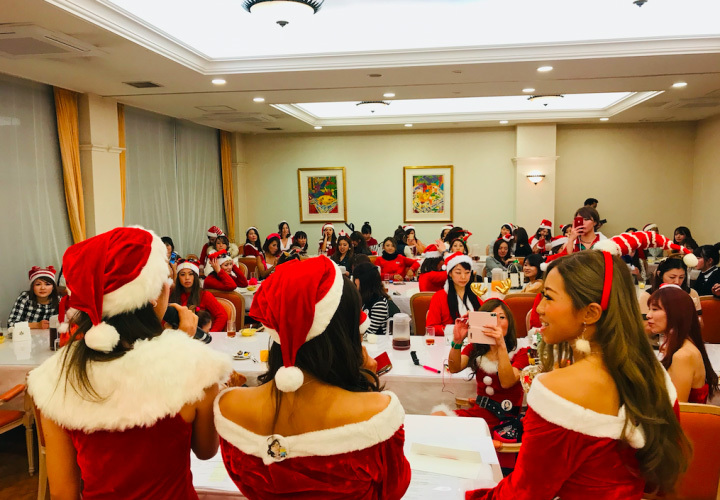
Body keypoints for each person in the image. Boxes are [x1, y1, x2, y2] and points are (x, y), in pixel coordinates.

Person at [27, 226, 232, 500]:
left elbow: (64, 492)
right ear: (153, 293)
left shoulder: (56, 377)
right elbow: (206, 450)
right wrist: (183, 344)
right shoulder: (194, 366)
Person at [466, 250, 688, 500]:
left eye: (548, 297)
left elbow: (524, 494)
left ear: (590, 313)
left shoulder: (558, 389)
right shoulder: (651, 372)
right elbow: (656, 478)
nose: (539, 308)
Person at [215, 257, 411, 499]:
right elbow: (393, 489)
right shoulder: (377, 413)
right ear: (345, 331)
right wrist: (365, 386)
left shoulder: (229, 407)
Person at [433, 299, 529, 430]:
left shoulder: (521, 351)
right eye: (492, 318)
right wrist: (457, 341)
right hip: (479, 415)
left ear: (510, 322)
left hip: (505, 422)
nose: (497, 323)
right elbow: (454, 368)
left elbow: (507, 382)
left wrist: (500, 345)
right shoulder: (476, 348)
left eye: (502, 317)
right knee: (437, 417)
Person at [647, 285, 718, 403]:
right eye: (649, 309)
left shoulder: (682, 356)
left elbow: (677, 407)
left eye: (655, 309)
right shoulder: (680, 346)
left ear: (675, 313)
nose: (648, 315)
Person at [426, 252, 481, 336]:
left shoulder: (476, 294)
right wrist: (457, 329)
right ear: (450, 273)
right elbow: (431, 327)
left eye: (467, 272)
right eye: (458, 273)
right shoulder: (439, 297)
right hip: (449, 341)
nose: (463, 277)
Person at [170, 260, 227, 332]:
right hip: (176, 335)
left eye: (191, 274)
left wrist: (211, 334)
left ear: (195, 276)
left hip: (198, 335)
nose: (187, 278)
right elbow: (165, 318)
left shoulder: (204, 295)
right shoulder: (172, 294)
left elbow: (222, 315)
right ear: (178, 277)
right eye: (182, 274)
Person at [353, 263, 390, 335]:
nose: (354, 283)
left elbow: (369, 332)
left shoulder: (379, 304)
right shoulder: (363, 298)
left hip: (375, 340)